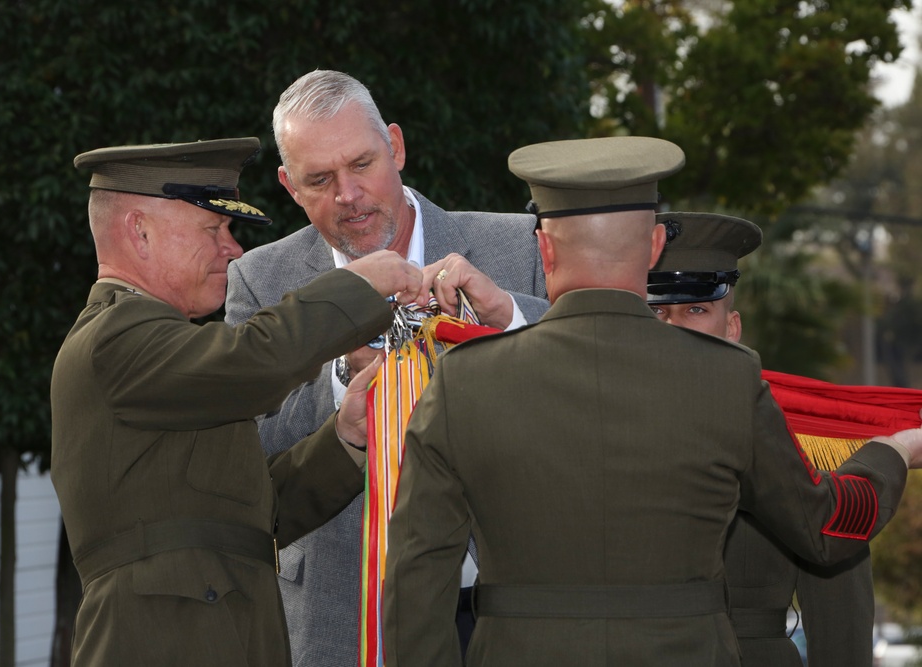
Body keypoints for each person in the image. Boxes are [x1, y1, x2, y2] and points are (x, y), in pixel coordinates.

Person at [382, 136, 922, 667]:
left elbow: (415, 582)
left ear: (544, 247)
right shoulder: (728, 380)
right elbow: (826, 531)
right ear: (655, 244)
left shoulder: (462, 382)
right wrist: (889, 452)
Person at [51, 137, 425, 666]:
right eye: (214, 229)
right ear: (140, 231)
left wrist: (346, 437)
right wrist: (356, 287)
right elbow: (255, 357)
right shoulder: (117, 336)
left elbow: (251, 520)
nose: (234, 250)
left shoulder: (165, 358)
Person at [224, 70, 549, 664]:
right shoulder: (259, 280)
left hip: (503, 608)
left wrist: (509, 323)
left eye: (362, 164)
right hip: (340, 614)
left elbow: (587, 380)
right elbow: (248, 453)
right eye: (319, 179)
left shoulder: (516, 246)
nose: (348, 194)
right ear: (288, 185)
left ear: (395, 147)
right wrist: (339, 378)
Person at [647, 211, 876, 666]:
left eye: (696, 309)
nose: (673, 328)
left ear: (732, 328)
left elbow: (837, 603)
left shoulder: (799, 437)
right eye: (656, 311)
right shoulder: (593, 418)